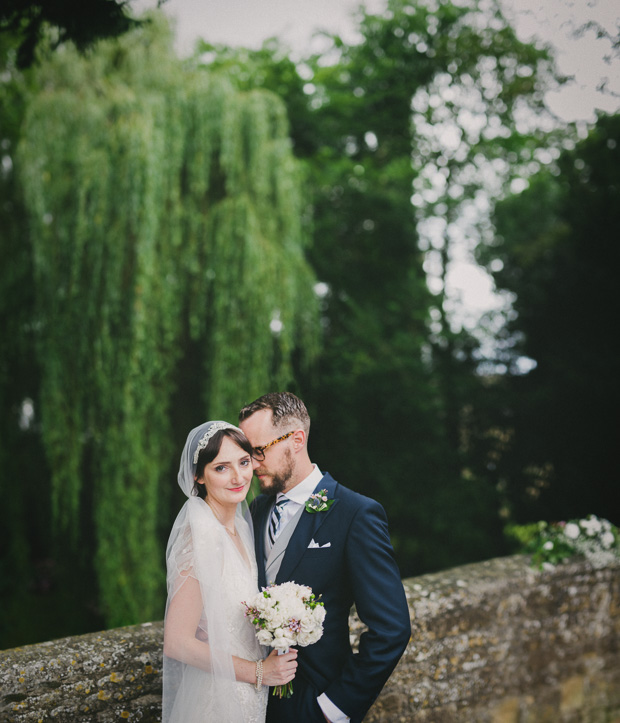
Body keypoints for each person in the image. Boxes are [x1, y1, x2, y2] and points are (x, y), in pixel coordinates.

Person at [239, 393, 411, 723]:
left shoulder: (355, 514)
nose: (252, 464)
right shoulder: (256, 511)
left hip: (313, 702)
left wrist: (333, 709)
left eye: (259, 450)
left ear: (297, 439)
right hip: (251, 699)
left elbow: (392, 629)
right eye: (248, 453)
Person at [162, 421, 298, 723]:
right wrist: (259, 671)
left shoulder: (241, 527)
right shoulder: (200, 537)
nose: (238, 477)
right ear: (199, 475)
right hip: (216, 698)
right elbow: (177, 641)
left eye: (244, 462)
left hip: (251, 696)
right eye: (221, 468)